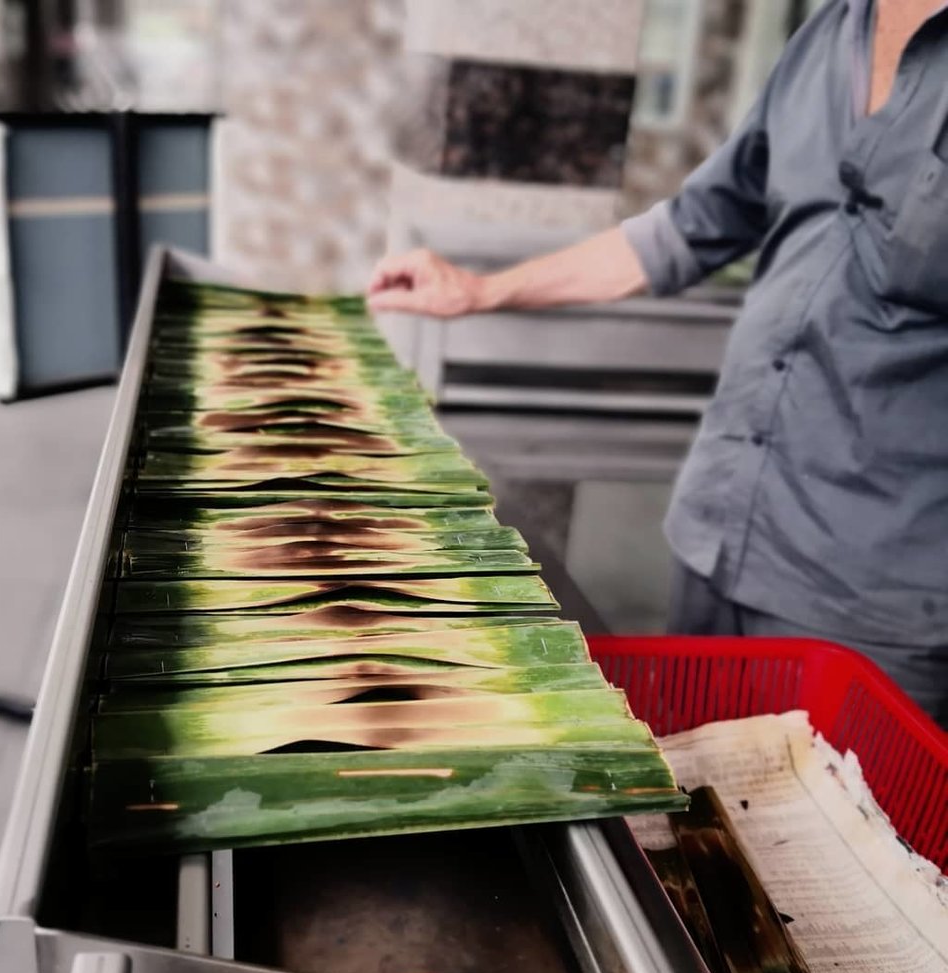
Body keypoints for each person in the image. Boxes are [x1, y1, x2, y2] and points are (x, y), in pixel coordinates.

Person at [368, 0, 948, 728]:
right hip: (718, 536)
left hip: (876, 602)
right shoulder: (829, 34)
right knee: (693, 816)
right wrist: (484, 288)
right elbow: (693, 224)